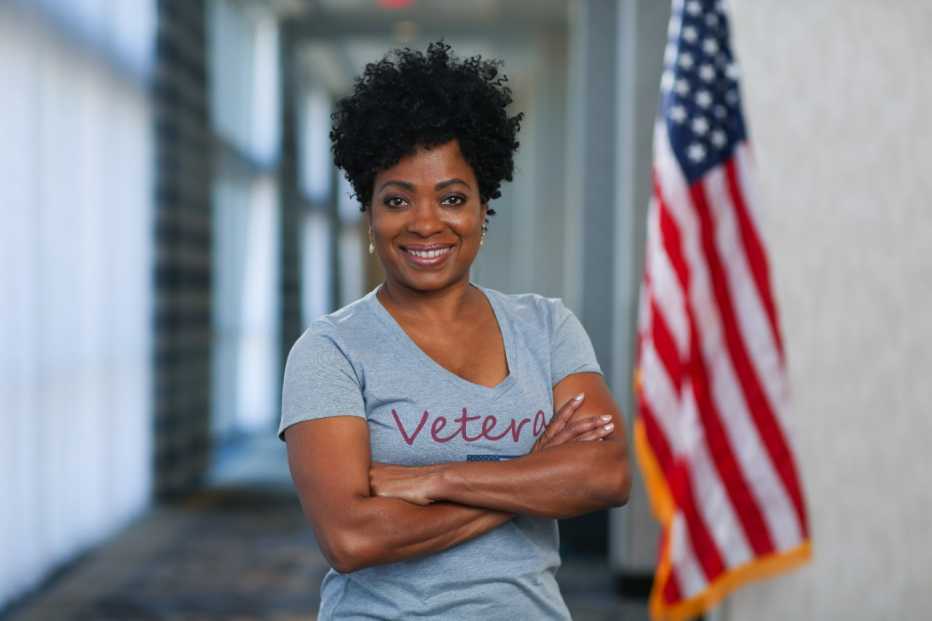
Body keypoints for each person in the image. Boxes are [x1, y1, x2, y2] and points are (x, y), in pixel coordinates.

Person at [278, 40, 631, 620]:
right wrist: (531, 478)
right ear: (369, 212)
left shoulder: (546, 327)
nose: (425, 223)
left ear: (482, 209)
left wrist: (433, 479)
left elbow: (608, 474)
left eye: (452, 197)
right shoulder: (330, 350)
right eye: (397, 199)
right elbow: (352, 539)